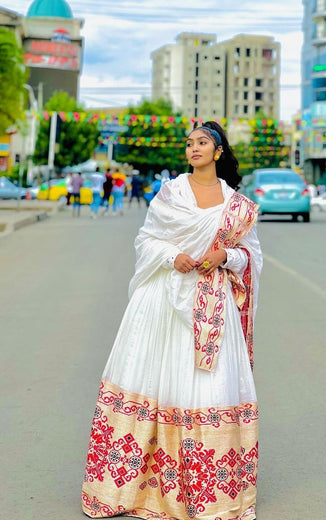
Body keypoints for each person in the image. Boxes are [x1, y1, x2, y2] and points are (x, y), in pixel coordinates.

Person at [81, 121, 263, 519]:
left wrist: (225, 257)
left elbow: (250, 255)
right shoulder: (172, 191)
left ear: (218, 152)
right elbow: (146, 238)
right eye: (189, 143)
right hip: (162, 301)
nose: (193, 148)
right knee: (152, 379)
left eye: (202, 143)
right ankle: (136, 487)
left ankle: (208, 492)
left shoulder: (237, 206)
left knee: (207, 389)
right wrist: (170, 256)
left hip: (212, 308)